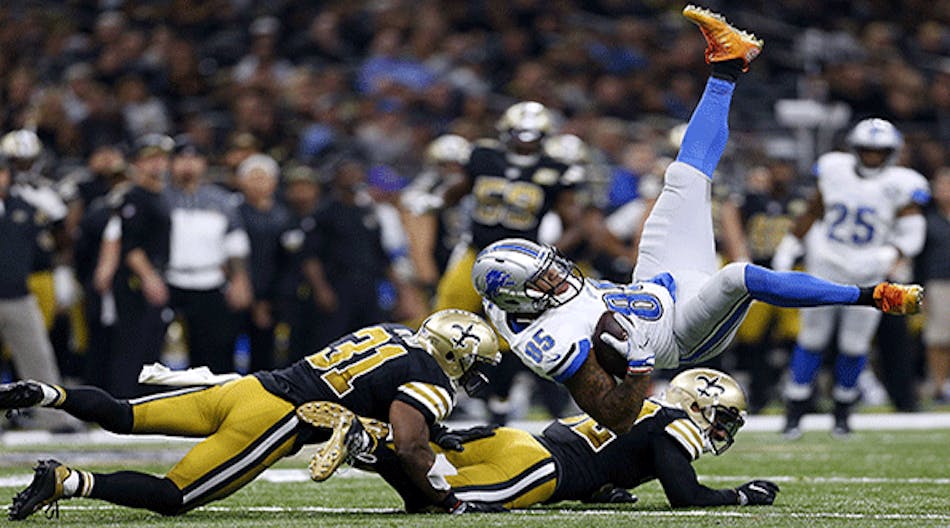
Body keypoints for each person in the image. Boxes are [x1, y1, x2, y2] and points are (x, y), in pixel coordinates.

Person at [471, 6, 923, 434]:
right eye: (546, 277)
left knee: (684, 176)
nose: (559, 273)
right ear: (521, 297)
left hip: (655, 282)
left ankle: (727, 63)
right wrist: (637, 371)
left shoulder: (518, 301)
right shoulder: (546, 336)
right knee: (737, 276)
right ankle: (873, 296)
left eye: (550, 266)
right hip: (682, 333)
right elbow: (614, 415)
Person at [1, 309, 504, 520]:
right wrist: (448, 499)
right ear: (455, 352)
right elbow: (411, 444)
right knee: (175, 496)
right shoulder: (433, 378)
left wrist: (434, 431)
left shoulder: (392, 329)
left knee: (120, 414)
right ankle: (66, 480)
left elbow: (381, 388)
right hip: (275, 420)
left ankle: (46, 393)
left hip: (250, 387)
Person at [312, 368, 780, 511]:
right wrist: (740, 495)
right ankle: (367, 448)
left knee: (426, 467)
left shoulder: (644, 408)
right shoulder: (673, 426)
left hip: (520, 441)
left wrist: (596, 487)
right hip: (538, 470)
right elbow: (685, 496)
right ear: (697, 404)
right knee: (440, 500)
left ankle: (369, 440)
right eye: (721, 418)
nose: (720, 430)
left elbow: (595, 444)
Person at [771, 118, 930, 438]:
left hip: (870, 267)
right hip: (827, 261)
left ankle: (843, 412)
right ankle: (795, 412)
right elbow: (814, 210)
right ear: (855, 149)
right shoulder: (833, 169)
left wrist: (895, 253)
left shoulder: (902, 183)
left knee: (854, 345)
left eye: (879, 151)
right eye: (866, 150)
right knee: (811, 339)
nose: (872, 156)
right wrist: (791, 244)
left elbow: (913, 231)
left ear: (892, 152)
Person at [164, 136, 253, 374]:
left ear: (204, 163)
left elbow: (235, 242)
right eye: (182, 158)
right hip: (168, 281)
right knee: (160, 352)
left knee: (213, 353)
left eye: (195, 158)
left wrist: (240, 279)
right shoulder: (161, 198)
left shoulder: (221, 200)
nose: (188, 165)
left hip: (210, 280)